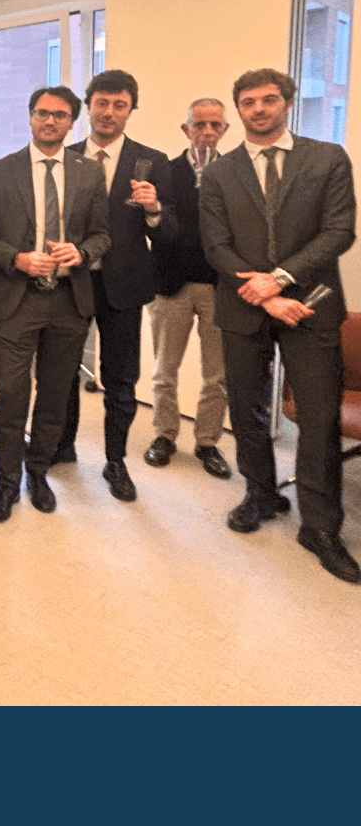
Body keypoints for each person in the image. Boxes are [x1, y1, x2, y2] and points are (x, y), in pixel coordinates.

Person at [200, 68, 358, 583]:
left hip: (311, 305)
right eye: (248, 102)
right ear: (239, 110)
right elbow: (216, 245)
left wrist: (282, 280)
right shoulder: (219, 173)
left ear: (287, 102)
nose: (259, 109)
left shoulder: (326, 158)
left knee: (318, 417)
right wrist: (266, 296)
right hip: (244, 305)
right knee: (246, 410)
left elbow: (339, 231)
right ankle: (261, 494)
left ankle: (320, 526)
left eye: (269, 99)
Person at [0, 86, 111, 523]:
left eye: (60, 115)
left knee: (55, 394)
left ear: (73, 122)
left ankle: (38, 471)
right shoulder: (1, 170)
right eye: (42, 113)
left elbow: (102, 235)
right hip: (18, 298)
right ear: (31, 116)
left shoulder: (90, 173)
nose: (50, 121)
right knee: (12, 393)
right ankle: (7, 482)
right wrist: (16, 258)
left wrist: (81, 253)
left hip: (70, 300)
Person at [52, 70, 174, 503]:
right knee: (63, 371)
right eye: (101, 103)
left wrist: (155, 209)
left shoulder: (152, 161)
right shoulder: (62, 156)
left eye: (119, 105)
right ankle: (61, 446)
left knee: (120, 381)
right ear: (88, 108)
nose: (108, 112)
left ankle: (115, 461)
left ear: (130, 110)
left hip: (123, 285)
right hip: (71, 282)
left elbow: (169, 233)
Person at [143, 98, 232, 479]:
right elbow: (153, 224)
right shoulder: (163, 171)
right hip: (170, 283)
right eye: (199, 124)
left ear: (224, 130)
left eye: (215, 125)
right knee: (165, 370)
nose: (207, 131)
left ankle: (207, 441)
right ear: (186, 129)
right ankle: (164, 435)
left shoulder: (234, 172)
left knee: (218, 375)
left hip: (220, 287)